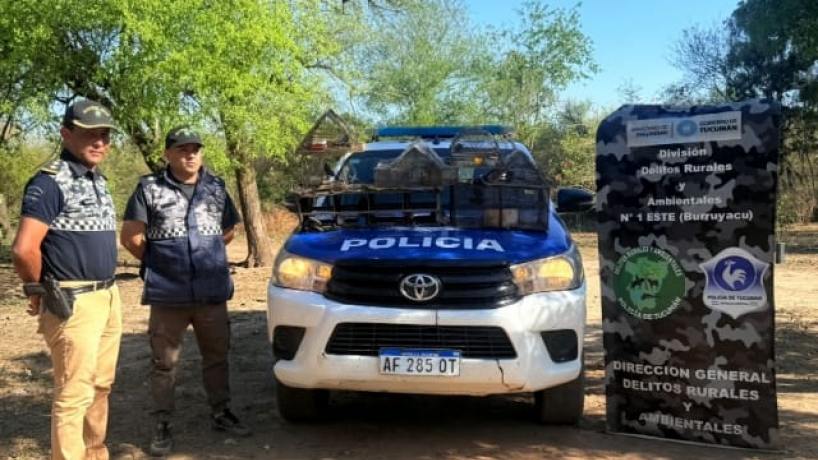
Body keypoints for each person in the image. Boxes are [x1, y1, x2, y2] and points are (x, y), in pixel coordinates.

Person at [120, 126, 249, 456]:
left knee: (217, 356)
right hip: (168, 294)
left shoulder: (216, 187)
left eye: (195, 149)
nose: (190, 155)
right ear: (168, 154)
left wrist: (205, 255)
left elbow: (228, 231)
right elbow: (131, 237)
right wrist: (161, 263)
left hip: (211, 292)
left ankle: (221, 412)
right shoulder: (149, 188)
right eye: (182, 149)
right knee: (164, 362)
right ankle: (162, 422)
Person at [12, 99, 121, 460]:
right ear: (65, 134)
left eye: (105, 135)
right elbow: (24, 249)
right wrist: (36, 289)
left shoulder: (97, 179)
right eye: (90, 134)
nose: (99, 142)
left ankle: (95, 454)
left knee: (101, 385)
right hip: (74, 301)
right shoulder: (49, 182)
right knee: (74, 394)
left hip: (108, 295)